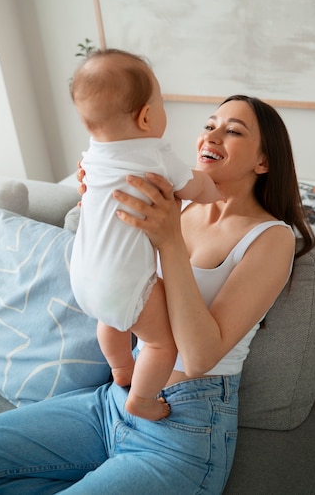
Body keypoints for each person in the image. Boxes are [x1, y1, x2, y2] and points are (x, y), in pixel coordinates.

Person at [0, 93, 315, 494]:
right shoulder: (175, 204)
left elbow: (200, 357)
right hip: (115, 398)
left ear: (263, 162)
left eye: (233, 131)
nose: (211, 136)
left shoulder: (271, 238)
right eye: (209, 125)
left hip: (184, 427)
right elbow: (114, 260)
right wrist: (97, 198)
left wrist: (170, 242)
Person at [69, 49, 222, 421]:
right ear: (147, 116)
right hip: (124, 280)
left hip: (83, 277)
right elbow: (191, 187)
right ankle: (141, 397)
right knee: (158, 342)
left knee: (111, 320)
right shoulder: (156, 154)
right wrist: (210, 190)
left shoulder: (92, 156)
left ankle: (121, 369)